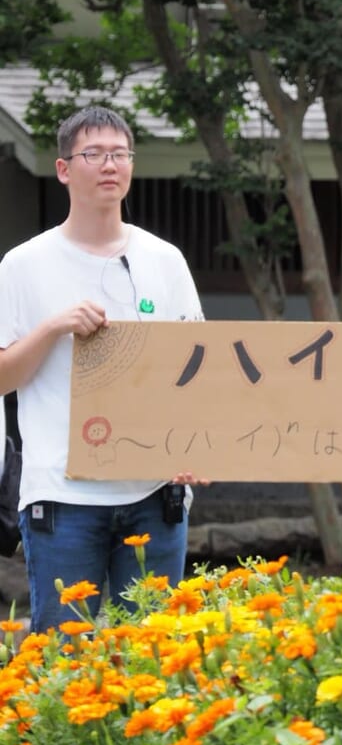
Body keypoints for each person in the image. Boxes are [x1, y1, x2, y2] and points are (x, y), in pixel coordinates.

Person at [0, 106, 204, 633]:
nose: (109, 165)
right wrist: (53, 328)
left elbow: (199, 370)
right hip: (62, 498)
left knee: (156, 658)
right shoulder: (23, 265)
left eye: (119, 154)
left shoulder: (166, 260)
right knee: (67, 664)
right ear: (64, 168)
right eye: (94, 154)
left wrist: (195, 448)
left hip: (156, 495)